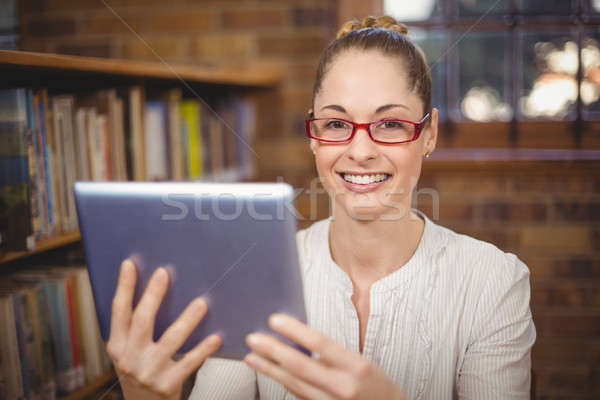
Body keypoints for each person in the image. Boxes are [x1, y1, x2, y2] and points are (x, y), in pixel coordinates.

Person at [106, 15, 536, 400]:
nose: (361, 151)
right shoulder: (253, 276)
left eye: (390, 124)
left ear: (429, 134)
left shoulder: (493, 282)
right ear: (314, 135)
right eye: (336, 124)